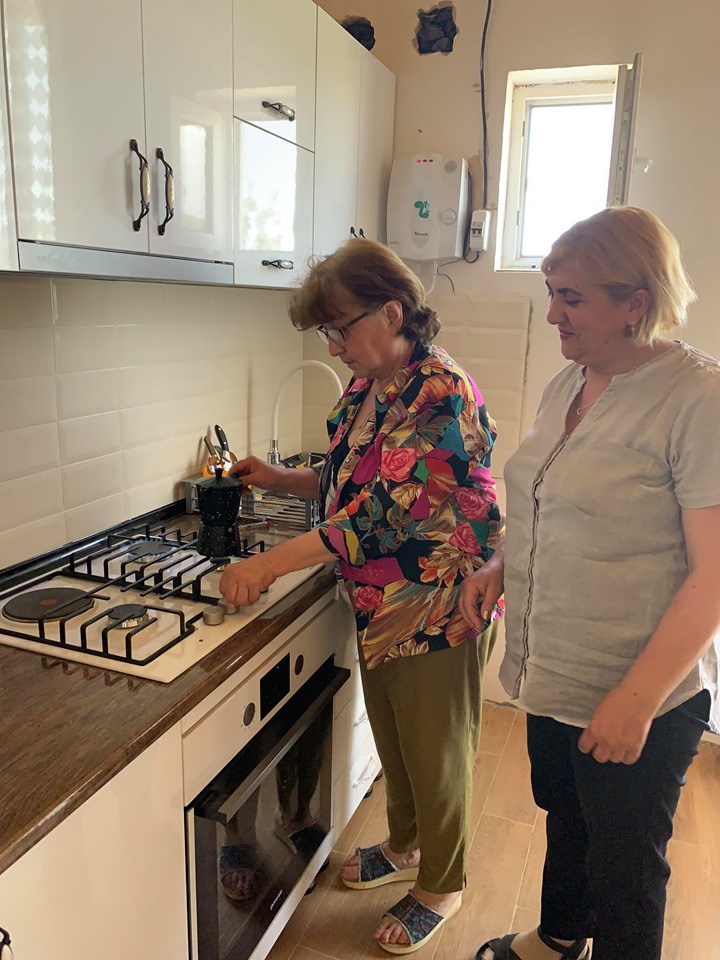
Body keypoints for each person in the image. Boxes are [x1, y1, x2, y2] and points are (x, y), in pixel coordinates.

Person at [218, 238, 504, 954]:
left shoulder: (439, 390)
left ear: (393, 312)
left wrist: (272, 562)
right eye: (326, 331)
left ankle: (442, 883)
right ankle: (405, 847)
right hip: (381, 601)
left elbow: (383, 514)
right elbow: (348, 478)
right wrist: (279, 478)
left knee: (437, 750)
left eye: (339, 328)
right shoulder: (368, 385)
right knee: (397, 739)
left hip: (439, 597)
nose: (333, 345)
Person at [460, 206, 719, 960]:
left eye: (570, 297)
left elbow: (713, 576)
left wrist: (636, 700)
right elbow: (550, 500)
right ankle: (560, 936)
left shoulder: (699, 398)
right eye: (552, 292)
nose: (552, 314)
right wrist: (501, 565)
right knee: (568, 819)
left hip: (638, 687)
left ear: (634, 302)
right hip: (554, 672)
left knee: (626, 867)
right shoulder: (570, 382)